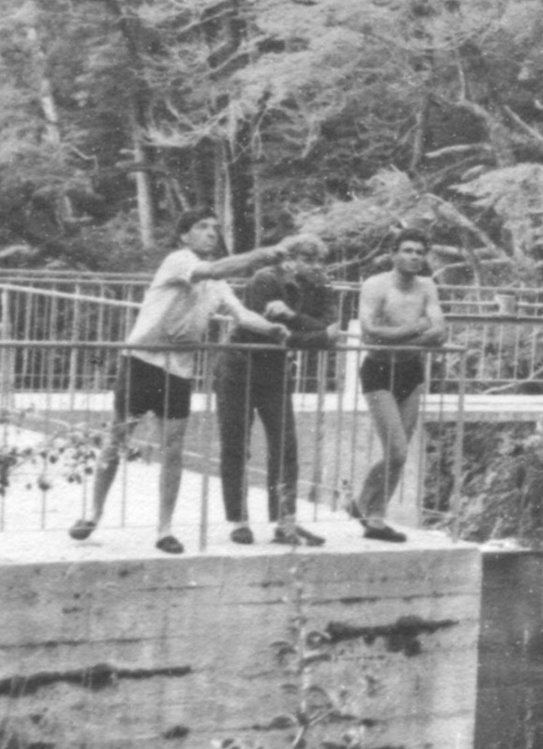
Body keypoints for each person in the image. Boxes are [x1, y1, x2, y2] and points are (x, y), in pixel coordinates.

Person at [69, 212, 307, 554]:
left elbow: (241, 313)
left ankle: (165, 529)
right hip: (141, 362)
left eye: (215, 228)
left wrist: (271, 328)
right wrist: (266, 253)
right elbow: (213, 269)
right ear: (184, 236)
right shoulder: (179, 261)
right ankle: (93, 514)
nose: (211, 233)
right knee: (117, 440)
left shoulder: (217, 282)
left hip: (178, 371)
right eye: (202, 227)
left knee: (174, 451)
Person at [214, 234, 337, 548]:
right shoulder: (264, 279)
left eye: (319, 260)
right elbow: (273, 332)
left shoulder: (321, 287)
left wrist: (294, 317)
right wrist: (312, 332)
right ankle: (239, 520)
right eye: (308, 259)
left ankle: (285, 521)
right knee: (236, 444)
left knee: (285, 447)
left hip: (276, 372)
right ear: (289, 259)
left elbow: (328, 332)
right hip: (240, 366)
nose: (316, 266)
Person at [350, 229, 447, 543]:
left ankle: (370, 512)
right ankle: (368, 508)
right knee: (397, 449)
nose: (414, 257)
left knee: (400, 455)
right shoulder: (375, 285)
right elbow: (369, 334)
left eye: (420, 251)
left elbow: (440, 332)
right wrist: (416, 329)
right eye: (407, 250)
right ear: (393, 254)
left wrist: (396, 336)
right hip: (379, 372)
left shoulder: (427, 286)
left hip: (411, 372)